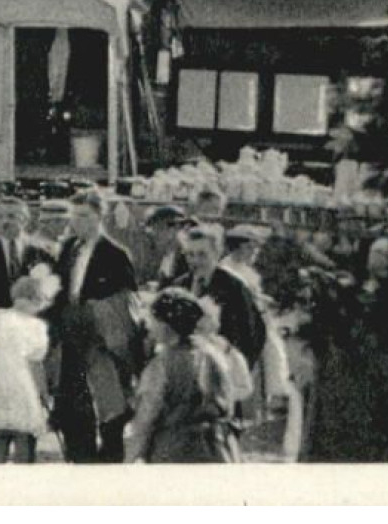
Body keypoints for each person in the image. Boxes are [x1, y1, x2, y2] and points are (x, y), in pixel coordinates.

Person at [53, 190, 140, 463]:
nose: (76, 222)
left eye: (84, 216)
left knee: (109, 404)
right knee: (73, 404)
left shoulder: (115, 254)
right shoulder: (69, 248)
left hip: (102, 341)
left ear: (99, 217)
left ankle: (110, 462)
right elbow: (60, 289)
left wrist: (97, 313)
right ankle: (81, 457)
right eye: (74, 216)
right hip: (70, 338)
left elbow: (128, 302)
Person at [126, 287, 242, 463]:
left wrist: (130, 458)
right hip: (218, 448)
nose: (148, 326)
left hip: (175, 451)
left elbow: (146, 418)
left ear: (166, 324)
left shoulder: (161, 365)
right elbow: (230, 401)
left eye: (153, 319)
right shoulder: (215, 355)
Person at [0, 271, 56, 463]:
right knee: (23, 432)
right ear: (37, 301)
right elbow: (36, 364)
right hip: (23, 386)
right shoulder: (38, 326)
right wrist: (44, 393)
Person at [168, 223, 267, 372]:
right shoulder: (180, 286)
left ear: (217, 253)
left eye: (202, 254)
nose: (195, 261)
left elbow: (251, 335)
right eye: (190, 255)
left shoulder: (234, 287)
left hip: (225, 368)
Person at [0, 197, 55, 337]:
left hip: (30, 333)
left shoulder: (41, 253)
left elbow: (50, 299)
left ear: (25, 220)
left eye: (11, 216)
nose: (4, 221)